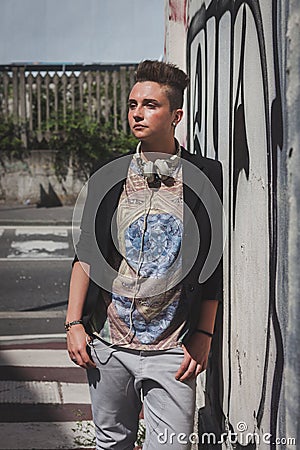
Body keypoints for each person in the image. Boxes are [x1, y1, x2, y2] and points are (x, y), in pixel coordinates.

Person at [66, 60, 223, 449]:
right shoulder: (108, 174)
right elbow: (86, 254)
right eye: (133, 104)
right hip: (110, 344)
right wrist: (74, 324)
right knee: (112, 442)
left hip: (173, 349)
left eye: (151, 105)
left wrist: (203, 334)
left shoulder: (206, 175)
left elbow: (212, 263)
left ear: (176, 116)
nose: (137, 113)